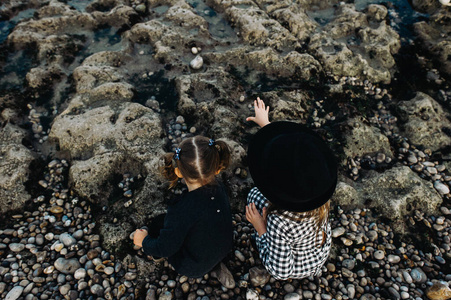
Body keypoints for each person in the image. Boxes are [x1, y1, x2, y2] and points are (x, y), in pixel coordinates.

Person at [245, 97, 338, 280]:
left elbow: (281, 272)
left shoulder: (279, 222)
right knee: (256, 195)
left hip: (298, 266)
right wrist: (266, 124)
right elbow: (295, 158)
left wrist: (261, 229)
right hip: (317, 252)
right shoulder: (319, 192)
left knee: (254, 196)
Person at [133, 136, 235, 285]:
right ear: (217, 168)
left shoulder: (181, 210)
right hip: (225, 247)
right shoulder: (219, 188)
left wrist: (144, 242)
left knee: (157, 225)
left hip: (193, 266)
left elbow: (165, 247)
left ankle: (156, 256)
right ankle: (217, 265)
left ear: (179, 173)